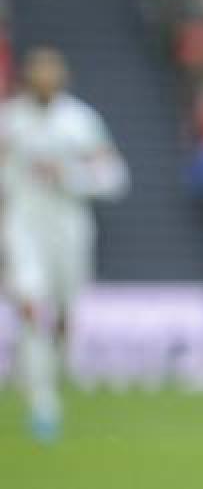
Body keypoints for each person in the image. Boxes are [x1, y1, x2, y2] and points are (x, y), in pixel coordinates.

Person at [0, 47, 129, 442]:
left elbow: (115, 179)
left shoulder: (80, 121)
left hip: (70, 228)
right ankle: (43, 403)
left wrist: (70, 176)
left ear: (62, 77)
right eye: (38, 71)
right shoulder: (10, 121)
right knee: (31, 303)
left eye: (51, 72)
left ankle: (39, 373)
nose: (45, 79)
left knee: (63, 316)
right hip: (23, 226)